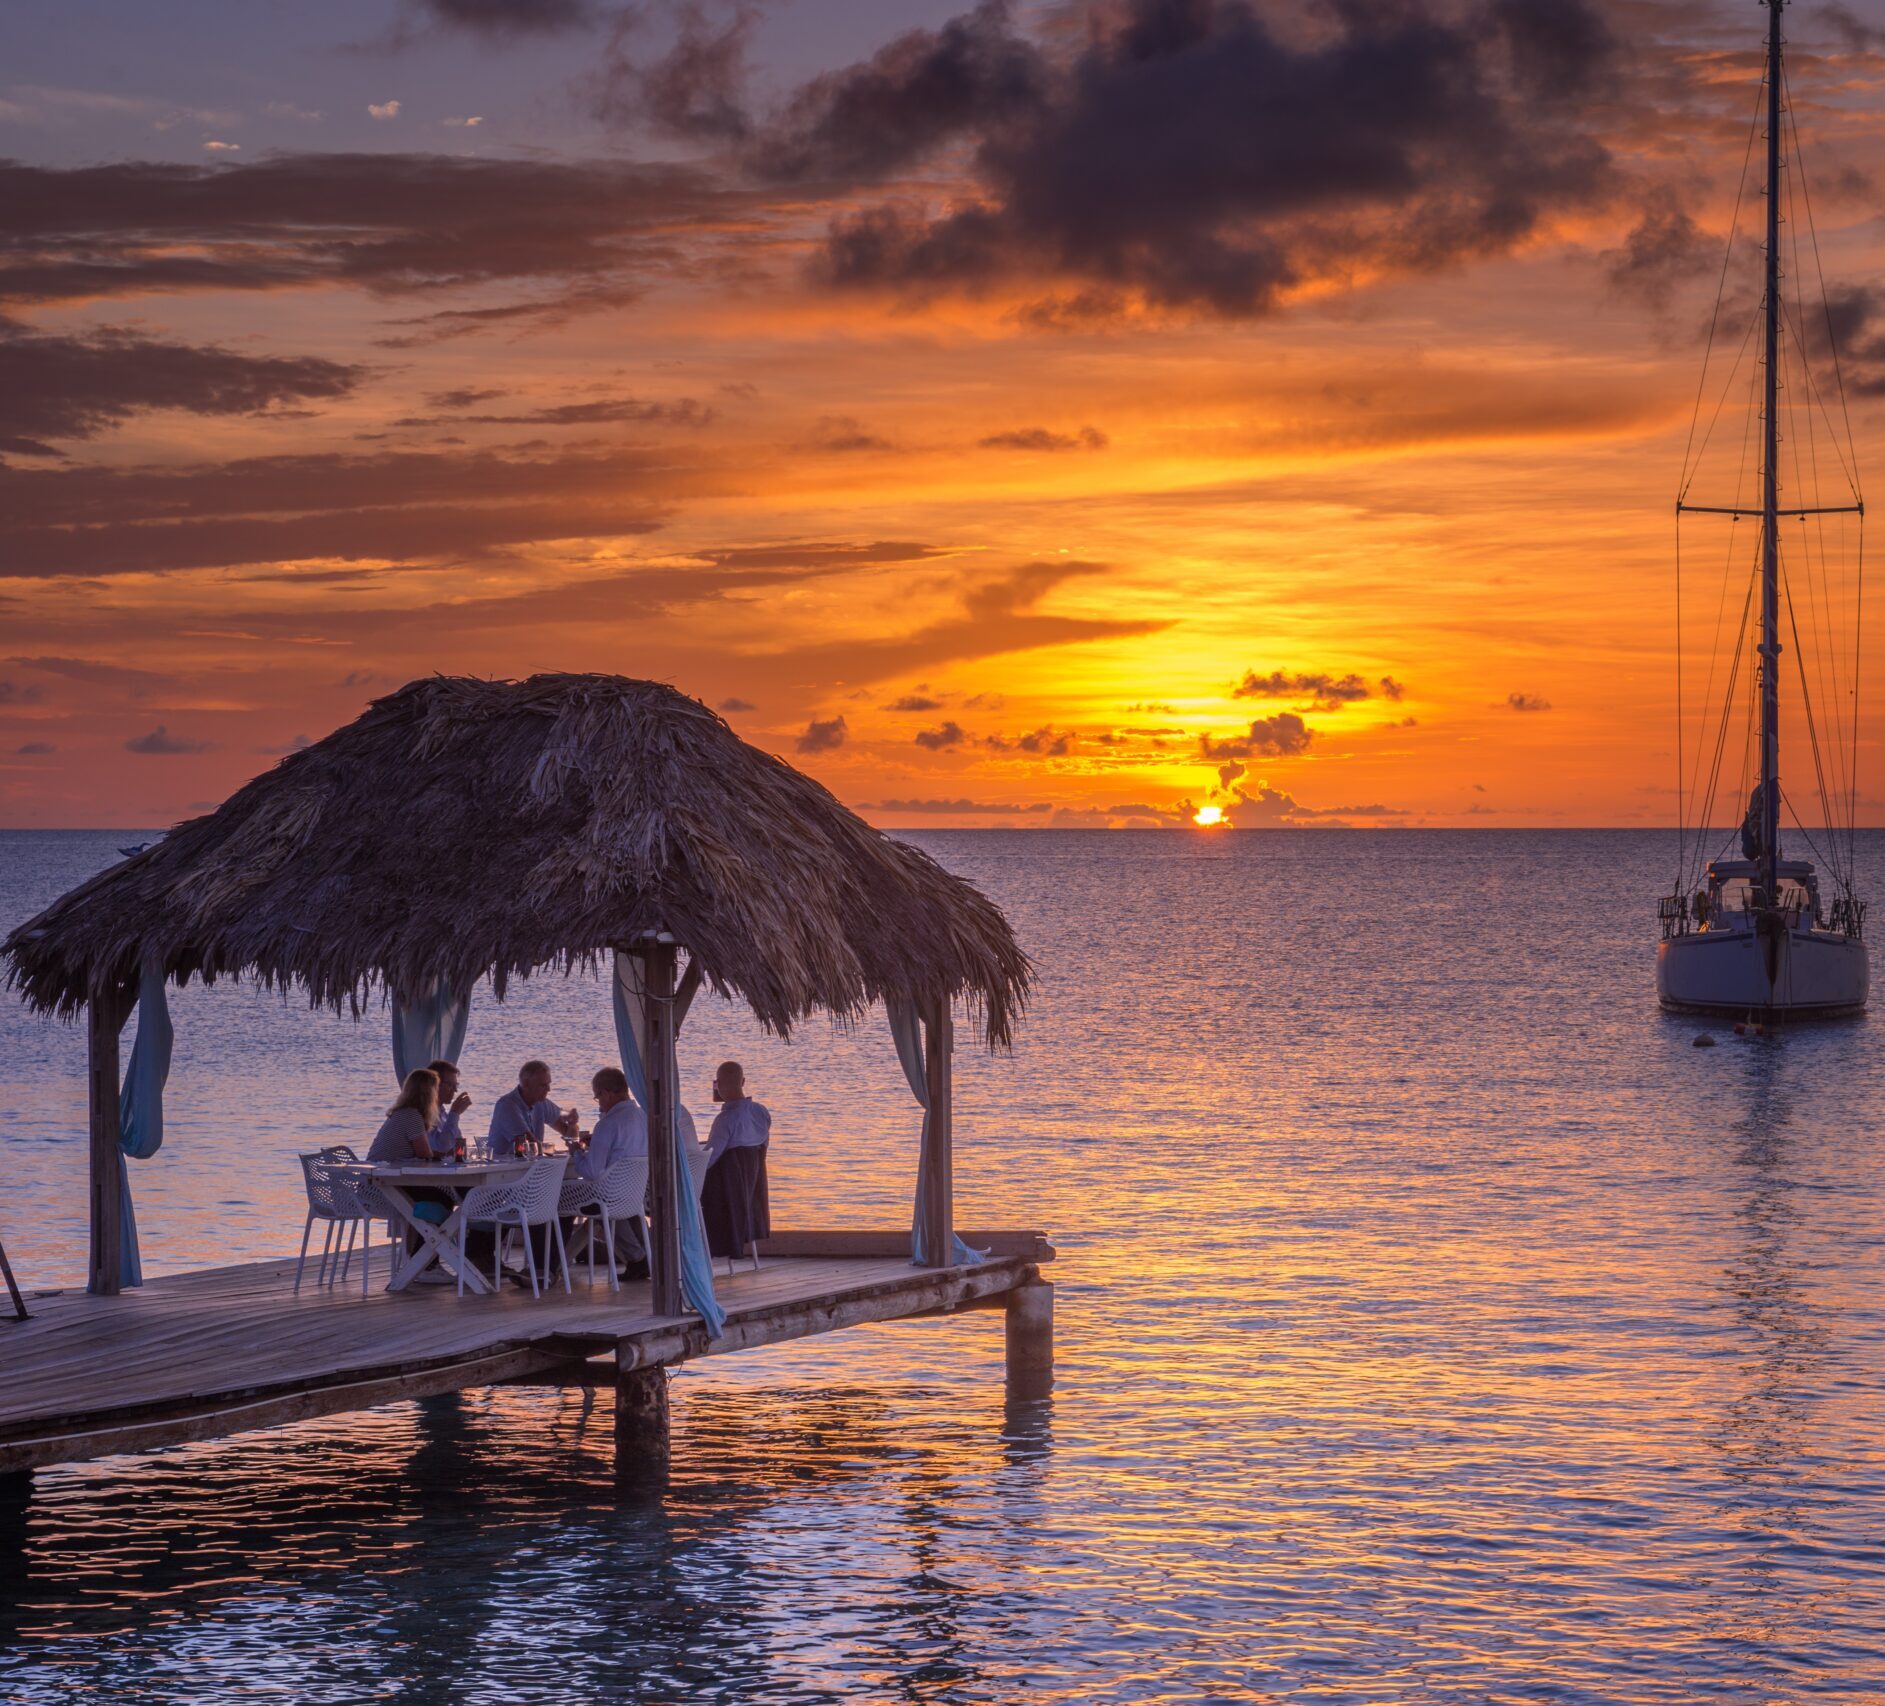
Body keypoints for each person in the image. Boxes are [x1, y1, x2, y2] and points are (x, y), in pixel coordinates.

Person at [571, 1067, 650, 1280]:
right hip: (636, 1193)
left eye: (598, 1097)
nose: (599, 1103)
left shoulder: (607, 1124)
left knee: (558, 1195)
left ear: (607, 1094)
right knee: (621, 1207)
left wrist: (577, 1154)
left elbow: (592, 1172)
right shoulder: (643, 1116)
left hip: (609, 1196)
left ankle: (552, 1262)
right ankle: (646, 1256)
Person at [369, 1069, 452, 1258]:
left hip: (380, 1183)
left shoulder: (401, 1114)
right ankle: (425, 1263)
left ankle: (422, 1260)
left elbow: (422, 1153)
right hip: (383, 1188)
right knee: (442, 1198)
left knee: (440, 1197)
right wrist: (447, 1156)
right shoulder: (412, 1117)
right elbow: (424, 1153)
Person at [701, 1060, 771, 1261]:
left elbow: (711, 1157)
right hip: (752, 1180)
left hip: (725, 1188)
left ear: (719, 1085)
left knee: (691, 1187)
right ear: (743, 1081)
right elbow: (763, 1145)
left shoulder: (726, 1120)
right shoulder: (760, 1111)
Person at [485, 1059, 579, 1158]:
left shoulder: (541, 1102)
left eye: (548, 1084)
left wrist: (573, 1124)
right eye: (543, 1085)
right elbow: (530, 1146)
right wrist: (550, 1148)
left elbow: (569, 1134)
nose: (548, 1089)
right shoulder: (507, 1106)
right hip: (500, 1168)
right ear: (526, 1085)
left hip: (529, 1165)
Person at [425, 1059, 474, 1158]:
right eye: (450, 1085)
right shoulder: (422, 1112)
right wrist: (455, 1114)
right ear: (435, 1085)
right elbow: (442, 1148)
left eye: (456, 1085)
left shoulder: (441, 1112)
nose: (455, 1090)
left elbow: (458, 1144)